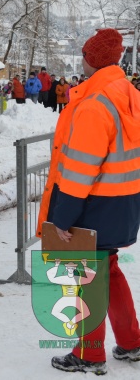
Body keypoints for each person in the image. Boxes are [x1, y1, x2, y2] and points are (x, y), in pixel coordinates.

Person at [36, 28, 140, 375]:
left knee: (86, 279)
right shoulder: (129, 94)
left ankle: (89, 354)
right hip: (122, 201)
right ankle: (131, 341)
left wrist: (62, 217)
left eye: (84, 53)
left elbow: (80, 170)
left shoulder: (96, 104)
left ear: (92, 59)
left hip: (93, 205)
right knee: (108, 271)